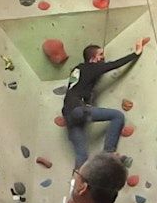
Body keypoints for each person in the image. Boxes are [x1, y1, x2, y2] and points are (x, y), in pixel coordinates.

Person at [62, 38, 148, 168]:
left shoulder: (78, 70)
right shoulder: (91, 67)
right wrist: (136, 53)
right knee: (118, 116)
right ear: (93, 58)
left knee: (82, 157)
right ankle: (109, 153)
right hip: (78, 110)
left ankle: (76, 186)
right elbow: (114, 65)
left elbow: (79, 88)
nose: (103, 58)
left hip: (69, 115)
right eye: (101, 55)